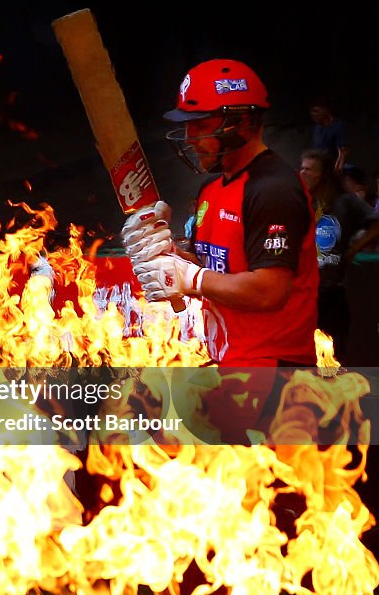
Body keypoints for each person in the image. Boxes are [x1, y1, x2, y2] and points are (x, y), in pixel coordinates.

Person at [122, 59, 319, 368]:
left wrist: (192, 278)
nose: (189, 138)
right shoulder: (211, 190)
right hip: (229, 359)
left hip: (276, 369)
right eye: (187, 125)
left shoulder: (273, 189)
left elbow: (270, 291)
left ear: (240, 123)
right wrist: (170, 259)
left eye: (200, 125)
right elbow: (219, 273)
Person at [299, 148, 379, 362]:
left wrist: (353, 250)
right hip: (305, 290)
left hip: (333, 289)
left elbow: (376, 225)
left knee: (334, 351)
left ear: (323, 174)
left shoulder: (345, 201)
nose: (303, 173)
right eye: (302, 168)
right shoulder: (304, 201)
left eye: (309, 169)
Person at [309, 97, 350, 175]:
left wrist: (338, 168)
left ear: (325, 110)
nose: (314, 115)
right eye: (312, 112)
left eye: (316, 111)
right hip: (317, 167)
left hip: (330, 169)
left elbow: (343, 151)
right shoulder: (317, 128)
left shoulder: (338, 126)